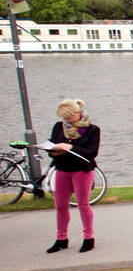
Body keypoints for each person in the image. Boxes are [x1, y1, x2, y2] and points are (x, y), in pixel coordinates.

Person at [44, 98, 100, 254]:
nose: (65, 121)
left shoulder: (92, 129)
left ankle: (88, 238)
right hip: (62, 169)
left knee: (83, 204)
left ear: (78, 113)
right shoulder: (58, 127)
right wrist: (52, 149)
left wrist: (71, 147)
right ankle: (61, 238)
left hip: (82, 170)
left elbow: (92, 153)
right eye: (63, 118)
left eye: (69, 118)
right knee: (60, 206)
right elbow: (52, 145)